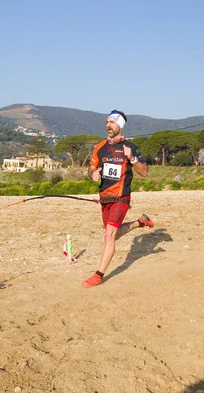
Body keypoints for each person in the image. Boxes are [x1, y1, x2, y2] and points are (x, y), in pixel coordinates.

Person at [83, 110, 155, 288]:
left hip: (121, 197)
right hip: (105, 197)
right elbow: (90, 170)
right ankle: (140, 223)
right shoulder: (100, 148)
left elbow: (144, 172)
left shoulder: (131, 147)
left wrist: (131, 158)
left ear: (120, 126)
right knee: (111, 234)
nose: (108, 125)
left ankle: (99, 275)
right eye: (107, 122)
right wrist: (93, 174)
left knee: (109, 235)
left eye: (112, 122)